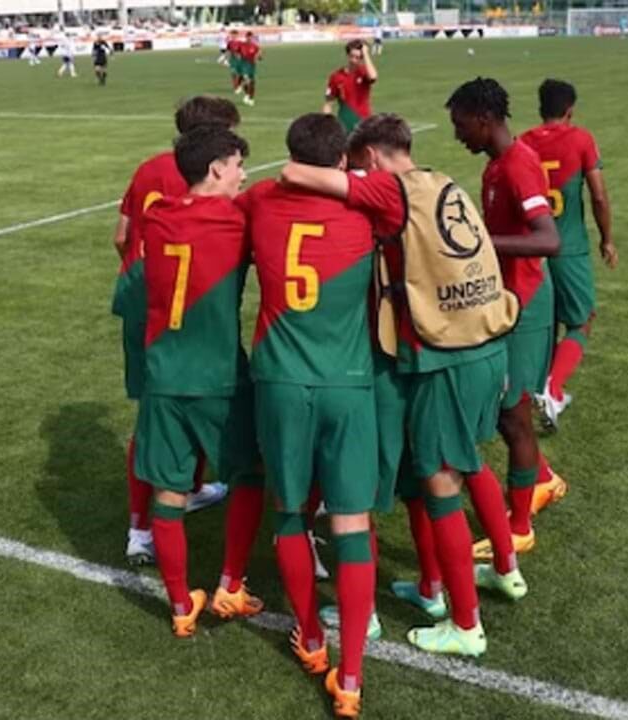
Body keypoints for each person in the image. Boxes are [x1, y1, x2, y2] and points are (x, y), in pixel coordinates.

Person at [283, 113, 527, 660]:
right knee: (431, 474)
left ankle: (464, 626)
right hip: (482, 343)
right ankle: (432, 590)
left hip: (447, 356)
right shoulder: (443, 180)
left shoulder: (393, 190)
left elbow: (307, 176)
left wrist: (289, 174)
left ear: (369, 157)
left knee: (438, 482)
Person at [242, 113, 379, 718]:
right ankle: (349, 678)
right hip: (350, 383)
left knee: (290, 511)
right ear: (344, 162)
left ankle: (311, 638)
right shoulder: (367, 210)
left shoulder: (260, 202)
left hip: (279, 379)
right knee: (351, 524)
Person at [134, 125, 265, 637]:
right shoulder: (237, 219)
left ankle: (179, 602)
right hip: (219, 377)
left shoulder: (157, 215)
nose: (243, 174)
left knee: (168, 491)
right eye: (237, 165)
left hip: (164, 375)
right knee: (250, 474)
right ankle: (230, 582)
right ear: (215, 170)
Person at [113, 97, 242, 565]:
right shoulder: (198, 186)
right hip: (184, 316)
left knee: (153, 414)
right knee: (181, 413)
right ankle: (158, 515)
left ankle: (145, 523)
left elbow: (121, 235)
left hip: (144, 302)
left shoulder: (148, 168)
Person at [444, 78, 564, 563]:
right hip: (505, 299)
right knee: (502, 408)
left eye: (460, 125)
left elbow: (547, 239)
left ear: (484, 118)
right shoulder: (497, 165)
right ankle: (542, 479)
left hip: (526, 302)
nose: (458, 135)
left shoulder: (517, 166)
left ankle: (518, 528)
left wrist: (481, 246)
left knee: (512, 416)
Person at [522, 79, 617, 437]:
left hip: (532, 251)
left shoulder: (524, 142)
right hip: (568, 247)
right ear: (570, 109)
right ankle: (553, 389)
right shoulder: (580, 139)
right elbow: (599, 196)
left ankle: (534, 387)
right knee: (581, 320)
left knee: (545, 323)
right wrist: (607, 239)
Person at [323, 40, 378, 134]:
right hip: (344, 124)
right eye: (352, 56)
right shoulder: (336, 76)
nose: (353, 60)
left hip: (364, 123)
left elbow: (373, 77)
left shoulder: (364, 72)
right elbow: (328, 103)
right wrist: (327, 124)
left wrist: (365, 54)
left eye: (358, 57)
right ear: (347, 55)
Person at [237, 32, 260, 106]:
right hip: (244, 65)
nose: (249, 39)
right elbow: (237, 53)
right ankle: (247, 94)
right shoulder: (242, 45)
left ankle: (251, 98)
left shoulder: (255, 46)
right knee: (246, 79)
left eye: (251, 37)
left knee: (252, 83)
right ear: (246, 37)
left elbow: (259, 55)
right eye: (248, 37)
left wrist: (258, 58)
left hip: (252, 66)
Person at [227, 30, 244, 94]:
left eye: (234, 35)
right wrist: (228, 59)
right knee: (233, 74)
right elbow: (228, 51)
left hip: (240, 61)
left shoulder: (240, 43)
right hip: (233, 61)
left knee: (240, 75)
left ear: (237, 35)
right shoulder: (230, 43)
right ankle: (236, 88)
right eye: (232, 35)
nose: (233, 36)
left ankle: (239, 85)